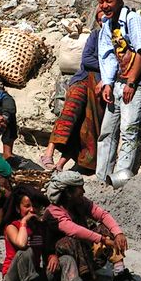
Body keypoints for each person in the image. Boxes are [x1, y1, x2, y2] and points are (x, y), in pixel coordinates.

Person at [94, 0, 141, 187]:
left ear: (120, 0)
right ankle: (100, 178)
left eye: (109, 1)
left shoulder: (134, 19)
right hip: (118, 84)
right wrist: (107, 83)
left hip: (137, 84)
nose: (105, 6)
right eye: (102, 1)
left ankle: (120, 178)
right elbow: (108, 56)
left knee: (129, 130)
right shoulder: (107, 24)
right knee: (107, 131)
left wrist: (131, 82)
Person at [2, 186, 96, 281]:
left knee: (66, 259)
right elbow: (21, 244)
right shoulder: (12, 227)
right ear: (18, 208)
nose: (31, 209)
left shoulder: (40, 227)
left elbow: (47, 249)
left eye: (34, 206)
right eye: (27, 206)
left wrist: (52, 256)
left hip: (32, 277)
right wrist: (24, 222)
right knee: (25, 252)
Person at [44, 171, 141, 281]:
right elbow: (74, 230)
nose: (83, 192)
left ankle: (119, 273)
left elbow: (102, 215)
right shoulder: (53, 211)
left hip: (85, 251)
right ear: (69, 193)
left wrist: (118, 233)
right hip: (62, 259)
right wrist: (103, 240)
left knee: (106, 228)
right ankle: (81, 280)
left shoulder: (80, 202)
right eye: (80, 189)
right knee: (73, 239)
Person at [41, 12, 105, 173]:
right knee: (69, 115)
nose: (103, 21)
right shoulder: (95, 36)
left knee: (84, 126)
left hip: (99, 88)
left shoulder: (119, 38)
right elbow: (87, 60)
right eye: (99, 18)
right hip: (83, 81)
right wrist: (110, 65)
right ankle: (48, 154)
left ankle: (61, 164)